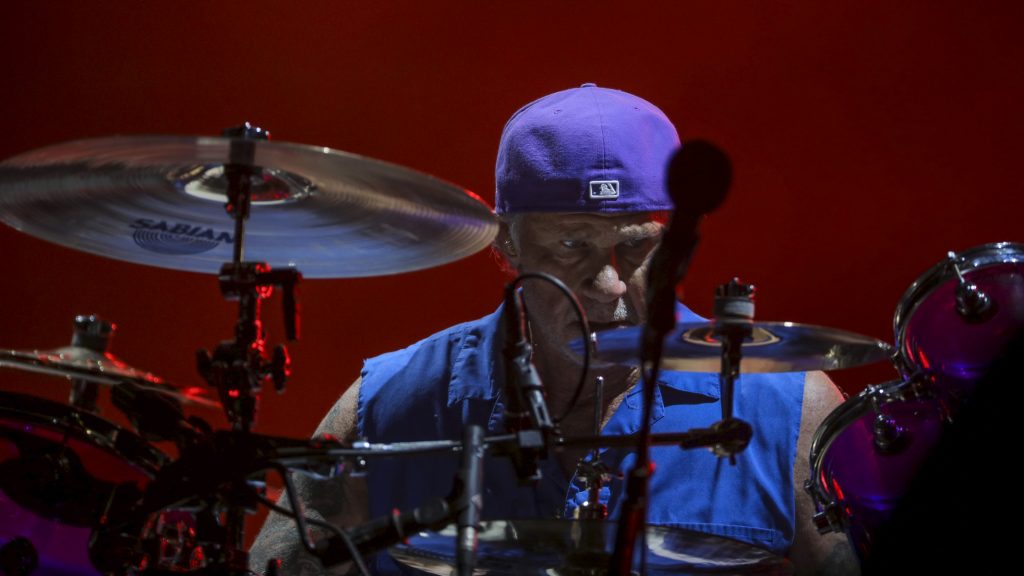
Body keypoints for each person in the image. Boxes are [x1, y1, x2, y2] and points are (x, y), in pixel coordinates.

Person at [250, 84, 858, 575]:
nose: (611, 284)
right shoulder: (389, 403)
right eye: (572, 245)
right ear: (506, 243)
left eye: (637, 247)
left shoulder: (791, 406)